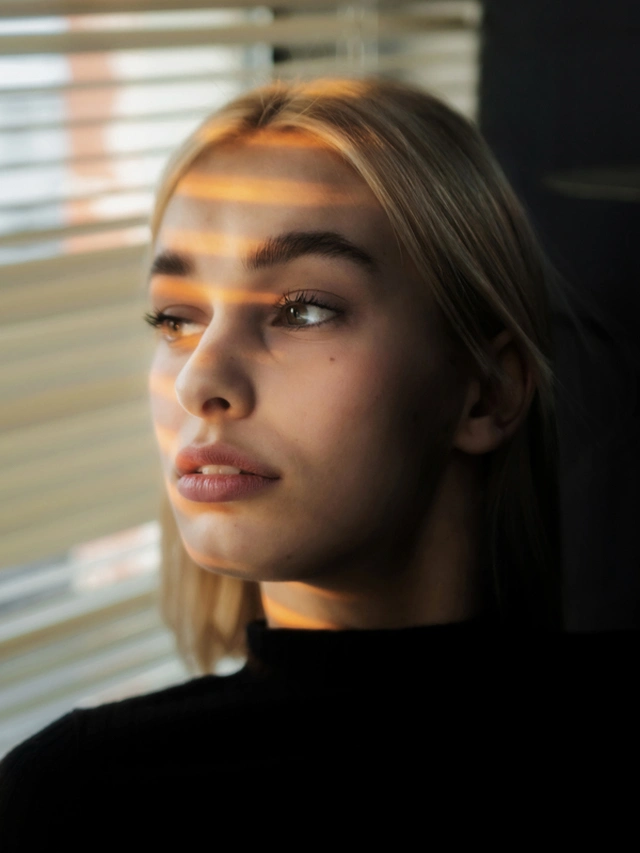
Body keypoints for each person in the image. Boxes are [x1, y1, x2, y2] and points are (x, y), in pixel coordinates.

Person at [0, 77, 628, 846]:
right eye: (175, 317)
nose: (200, 378)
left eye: (304, 308)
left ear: (486, 393)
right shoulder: (75, 809)